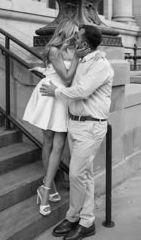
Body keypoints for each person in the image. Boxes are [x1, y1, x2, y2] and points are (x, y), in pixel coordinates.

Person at [40, 24, 114, 240]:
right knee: (85, 175)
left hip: (91, 126)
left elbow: (81, 91)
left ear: (86, 42)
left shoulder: (101, 65)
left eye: (78, 37)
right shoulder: (82, 60)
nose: (74, 40)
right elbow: (68, 77)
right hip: (76, 123)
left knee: (76, 174)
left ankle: (74, 217)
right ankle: (85, 220)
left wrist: (56, 91)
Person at [23, 19, 89, 217]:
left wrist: (45, 70)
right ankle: (48, 188)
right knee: (49, 141)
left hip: (62, 96)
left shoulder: (75, 50)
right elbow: (67, 77)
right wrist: (76, 59)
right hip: (49, 95)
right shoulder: (54, 49)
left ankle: (45, 187)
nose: (78, 36)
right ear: (68, 32)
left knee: (59, 145)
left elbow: (72, 78)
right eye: (76, 32)